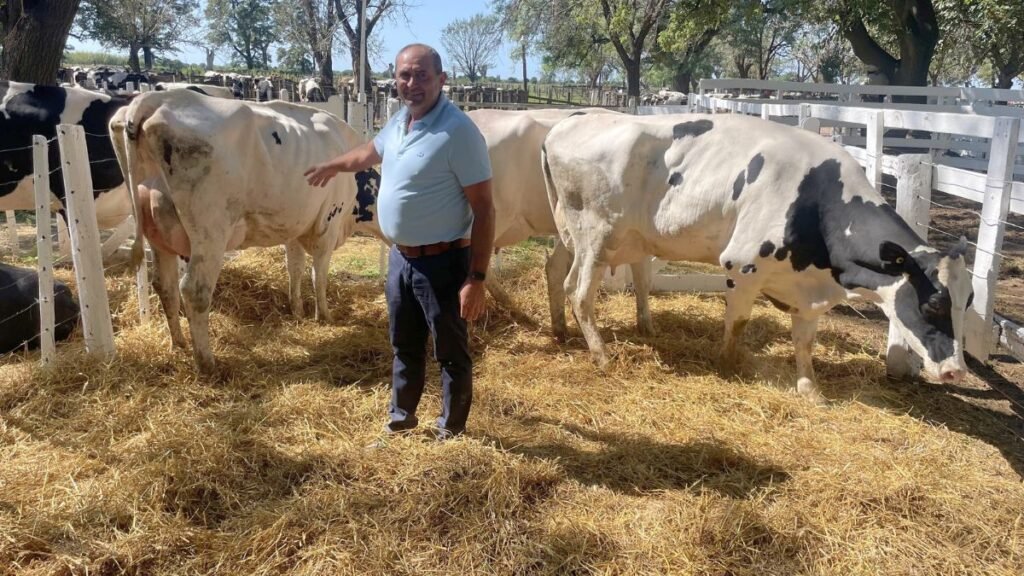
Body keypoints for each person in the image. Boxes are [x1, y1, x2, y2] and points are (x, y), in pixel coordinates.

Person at [304, 44, 494, 441]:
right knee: (403, 347)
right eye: (405, 75)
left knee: (451, 354)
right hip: (401, 260)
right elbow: (369, 152)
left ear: (442, 80)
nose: (412, 84)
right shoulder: (400, 121)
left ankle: (450, 434)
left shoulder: (458, 132)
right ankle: (401, 423)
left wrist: (476, 278)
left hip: (444, 262)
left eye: (422, 75)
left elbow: (485, 208)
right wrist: (333, 164)